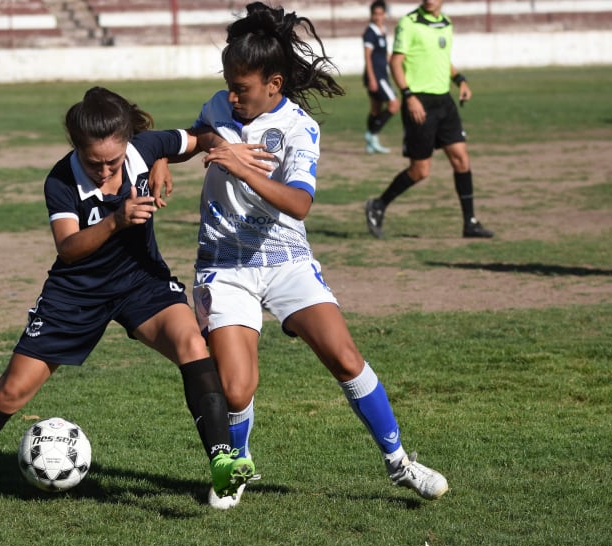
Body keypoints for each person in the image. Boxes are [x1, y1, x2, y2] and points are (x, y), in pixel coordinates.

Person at [0, 87, 255, 513]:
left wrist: (171, 158)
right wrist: (116, 221)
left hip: (139, 281)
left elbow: (202, 136)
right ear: (76, 147)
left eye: (114, 159)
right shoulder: (60, 180)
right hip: (75, 294)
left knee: (192, 345)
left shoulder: (144, 147)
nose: (105, 169)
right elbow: (68, 247)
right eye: (95, 162)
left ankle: (221, 459)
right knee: (11, 393)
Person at [181, 2, 449, 509]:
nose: (232, 95)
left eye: (243, 88)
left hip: (287, 261)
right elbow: (198, 136)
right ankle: (235, 470)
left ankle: (399, 464)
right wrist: (170, 157)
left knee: (345, 357)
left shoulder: (300, 128)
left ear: (274, 85)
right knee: (236, 390)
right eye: (229, 85)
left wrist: (242, 168)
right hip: (225, 265)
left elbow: (300, 204)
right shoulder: (220, 107)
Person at [365, 0, 494, 239]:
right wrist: (408, 95)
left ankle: (470, 222)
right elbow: (396, 62)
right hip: (418, 102)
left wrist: (460, 80)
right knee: (420, 170)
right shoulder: (409, 23)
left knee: (461, 160)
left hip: (444, 101)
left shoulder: (446, 23)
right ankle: (378, 205)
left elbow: (443, 60)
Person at [362, 0, 400, 154]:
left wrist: (398, 63)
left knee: (376, 110)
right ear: (371, 15)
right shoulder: (370, 32)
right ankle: (372, 134)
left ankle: (371, 143)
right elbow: (368, 56)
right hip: (377, 76)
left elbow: (384, 54)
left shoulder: (381, 30)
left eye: (380, 14)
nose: (378, 17)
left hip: (381, 75)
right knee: (394, 105)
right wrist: (372, 78)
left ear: (385, 14)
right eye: (375, 14)